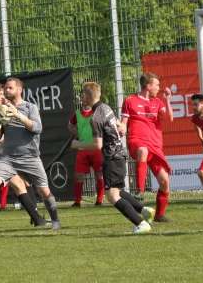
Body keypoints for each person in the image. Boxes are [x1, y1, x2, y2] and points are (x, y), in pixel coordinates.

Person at [0, 77, 61, 232]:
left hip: (30, 157)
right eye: (6, 88)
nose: (6, 91)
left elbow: (37, 128)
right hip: (8, 158)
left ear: (19, 90)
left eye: (10, 88)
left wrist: (18, 115)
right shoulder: (1, 109)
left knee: (44, 191)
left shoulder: (30, 107)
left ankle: (55, 220)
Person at [71, 83, 155, 234]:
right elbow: (119, 125)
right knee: (118, 190)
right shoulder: (106, 107)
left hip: (111, 157)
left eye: (83, 94)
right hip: (119, 154)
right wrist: (119, 129)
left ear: (88, 96)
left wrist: (78, 144)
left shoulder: (95, 118)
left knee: (111, 196)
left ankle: (141, 223)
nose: (81, 97)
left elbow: (97, 145)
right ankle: (144, 210)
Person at [119, 72, 173, 222]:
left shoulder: (158, 102)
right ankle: (140, 190)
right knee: (143, 150)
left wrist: (167, 101)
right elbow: (123, 122)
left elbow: (169, 118)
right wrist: (121, 129)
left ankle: (159, 215)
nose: (159, 88)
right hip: (137, 141)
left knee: (164, 181)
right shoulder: (130, 101)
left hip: (155, 145)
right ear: (148, 86)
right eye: (157, 85)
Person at [68, 91, 104, 207]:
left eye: (85, 95)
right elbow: (70, 125)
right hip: (83, 148)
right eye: (82, 96)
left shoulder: (98, 111)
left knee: (99, 173)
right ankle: (77, 202)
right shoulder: (77, 113)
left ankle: (99, 201)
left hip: (96, 148)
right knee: (78, 175)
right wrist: (79, 135)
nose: (83, 98)